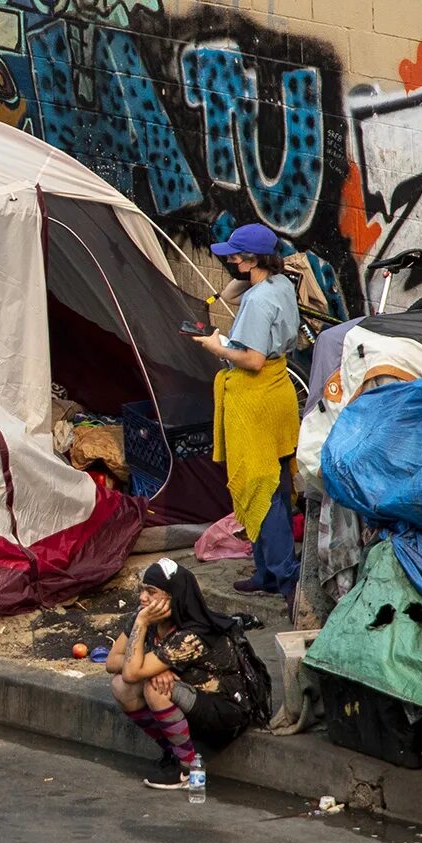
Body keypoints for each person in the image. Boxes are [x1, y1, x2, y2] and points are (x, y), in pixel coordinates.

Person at [193, 222, 301, 598]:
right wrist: (247, 269)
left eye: (237, 255)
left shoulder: (258, 300)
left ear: (253, 258)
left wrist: (215, 346)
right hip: (280, 394)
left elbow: (252, 360)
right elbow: (233, 292)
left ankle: (285, 577)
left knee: (261, 489)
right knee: (279, 486)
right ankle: (267, 573)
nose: (231, 260)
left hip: (256, 398)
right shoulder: (281, 283)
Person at [106, 558, 257, 788]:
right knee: (121, 687)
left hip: (226, 710)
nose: (142, 598)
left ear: (173, 597)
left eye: (151, 592)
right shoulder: (144, 616)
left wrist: (146, 652)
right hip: (190, 698)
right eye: (142, 590)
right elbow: (113, 661)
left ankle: (187, 769)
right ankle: (176, 752)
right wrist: (153, 666)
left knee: (155, 688)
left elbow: (131, 670)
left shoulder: (191, 634)